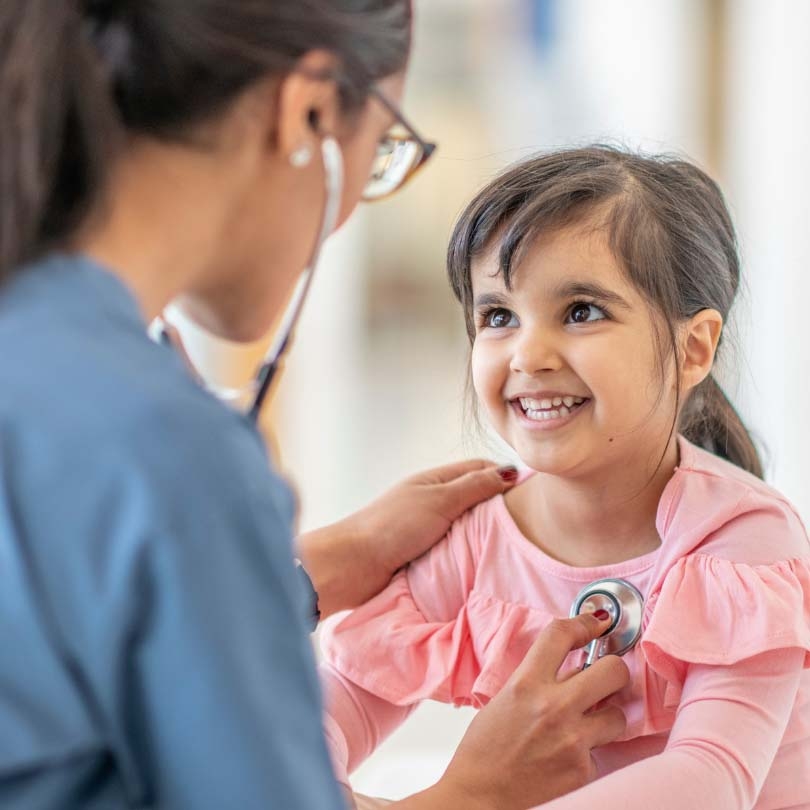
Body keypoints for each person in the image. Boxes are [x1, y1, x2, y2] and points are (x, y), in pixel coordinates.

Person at [0, 3, 630, 809]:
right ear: (309, 112)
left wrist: (304, 572)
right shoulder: (166, 445)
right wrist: (474, 793)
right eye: (380, 154)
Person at [319, 146, 810, 809]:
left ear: (693, 348)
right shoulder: (470, 543)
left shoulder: (742, 537)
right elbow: (308, 726)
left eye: (581, 311)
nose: (528, 353)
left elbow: (707, 782)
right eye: (498, 315)